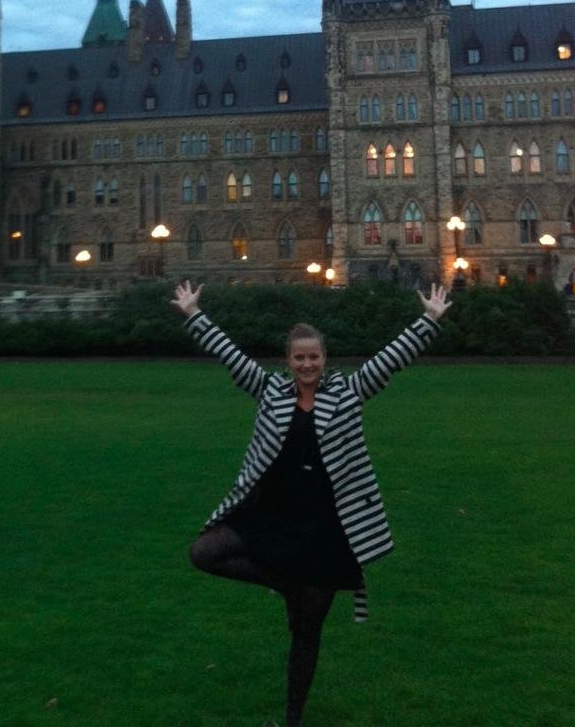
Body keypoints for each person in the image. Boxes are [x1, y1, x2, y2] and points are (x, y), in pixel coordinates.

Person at [171, 281, 451, 727]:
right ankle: (283, 582)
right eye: (299, 358)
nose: (307, 364)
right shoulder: (271, 392)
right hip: (274, 519)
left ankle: (293, 719)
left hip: (326, 532)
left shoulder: (347, 393)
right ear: (289, 362)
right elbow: (229, 355)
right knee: (204, 551)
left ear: (324, 359)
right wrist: (193, 313)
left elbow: (390, 360)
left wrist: (429, 319)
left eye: (314, 357)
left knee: (306, 633)